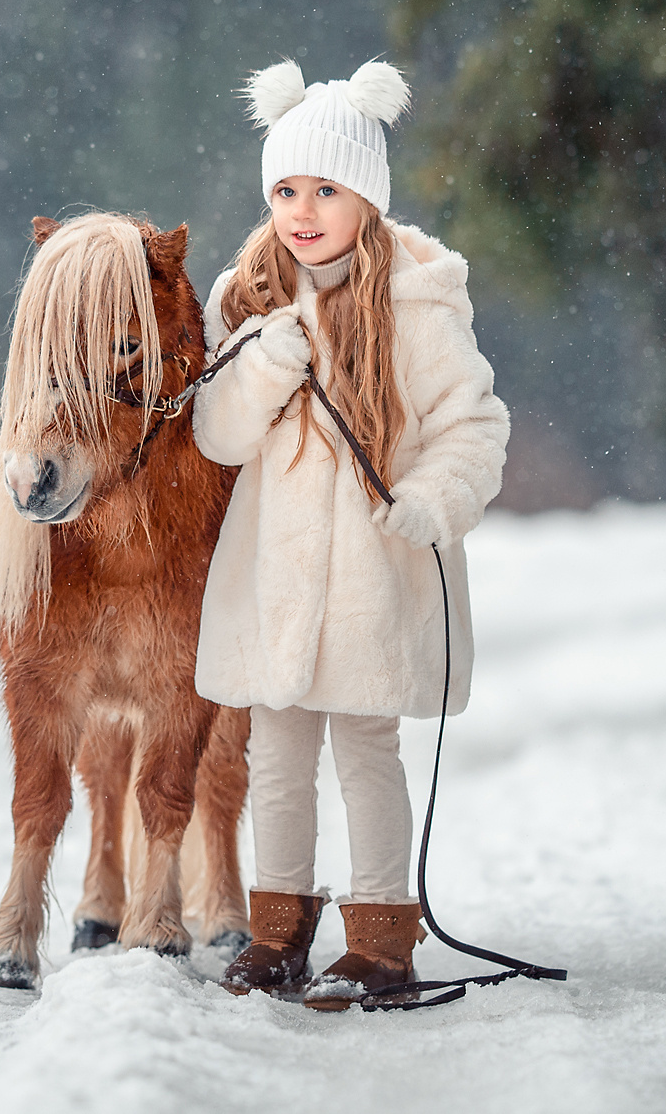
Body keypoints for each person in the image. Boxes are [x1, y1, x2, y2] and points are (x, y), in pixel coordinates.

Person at [192, 58, 509, 1011]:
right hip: (277, 581)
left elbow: (473, 425)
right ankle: (276, 933)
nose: (302, 208)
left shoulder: (416, 306)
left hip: (376, 570)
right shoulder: (248, 299)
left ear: (365, 196)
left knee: (366, 750)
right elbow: (217, 433)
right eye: (286, 188)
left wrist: (431, 498)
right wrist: (259, 370)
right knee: (277, 757)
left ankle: (381, 937)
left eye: (325, 188)